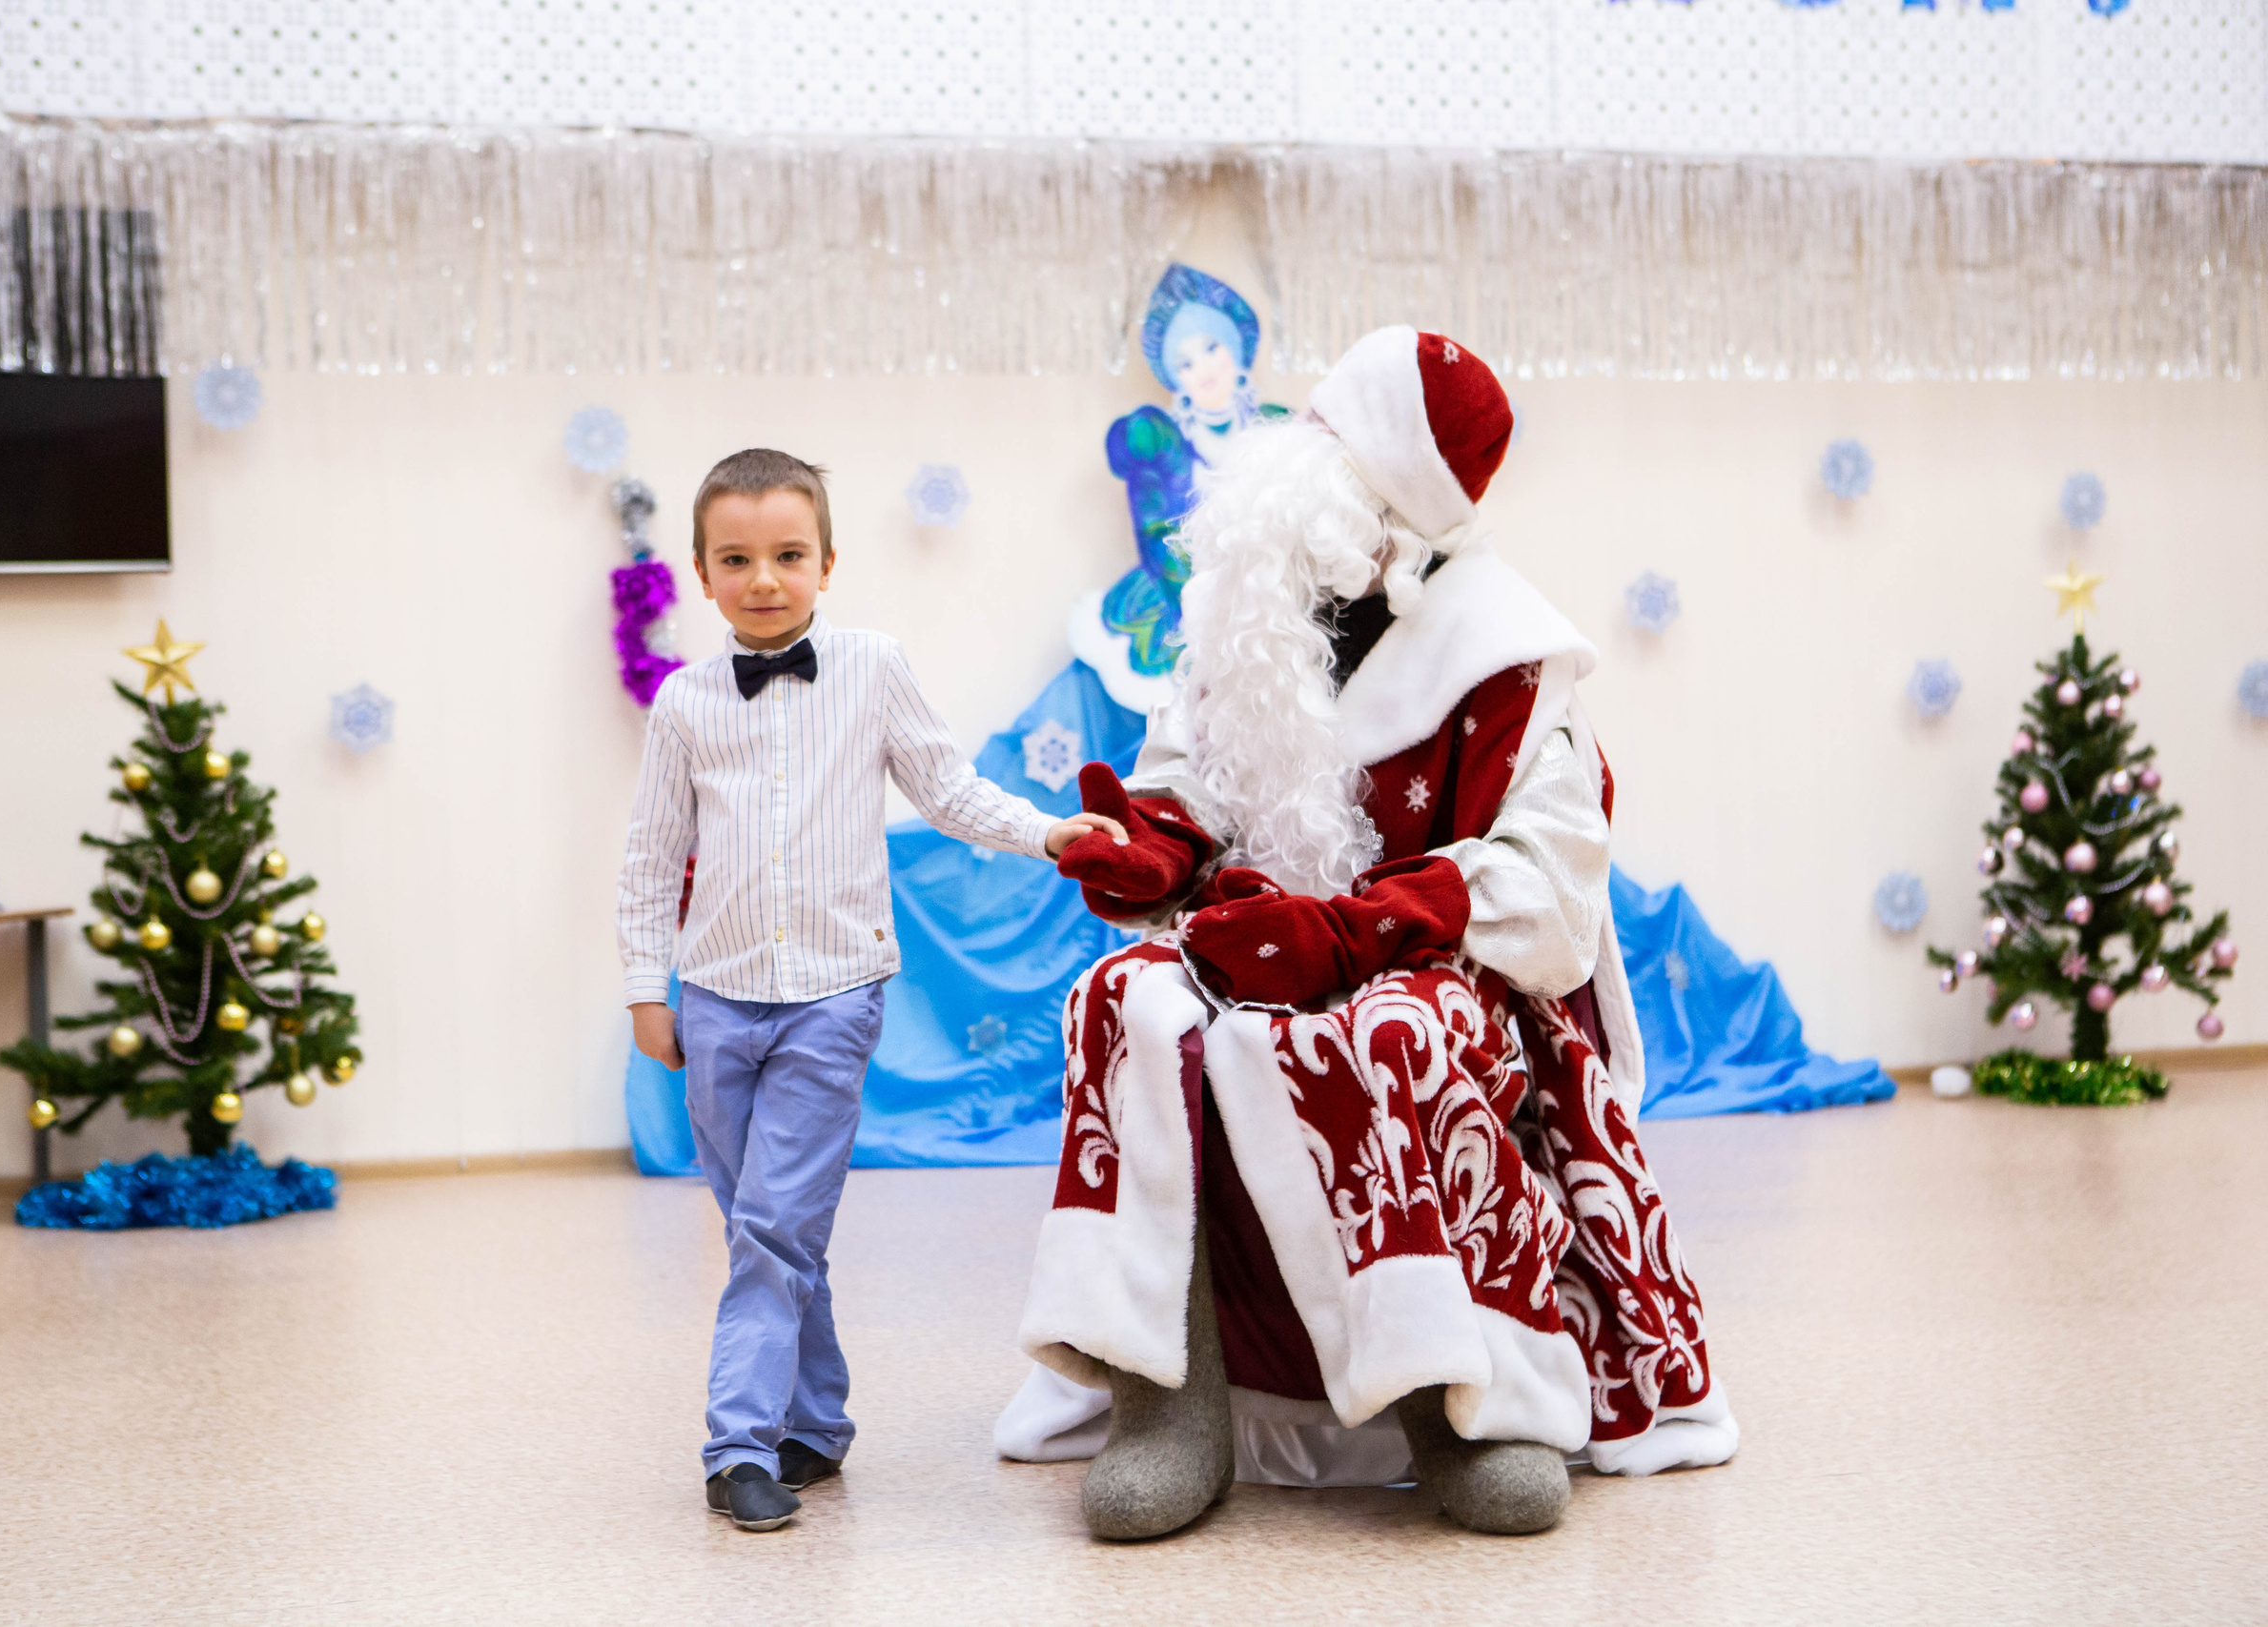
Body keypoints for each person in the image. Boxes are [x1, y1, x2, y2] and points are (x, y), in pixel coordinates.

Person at [1010, 328, 1737, 1540]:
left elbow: (1549, 892)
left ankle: (1454, 1412)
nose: (1292, 461)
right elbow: (1189, 777)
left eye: (1331, 444)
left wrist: (1357, 934)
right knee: (1122, 1000)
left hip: (1444, 979)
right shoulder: (1254, 608)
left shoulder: (1510, 659)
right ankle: (1168, 1401)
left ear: (1387, 492)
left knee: (1390, 1032)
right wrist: (1158, 843)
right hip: (1248, 951)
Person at [618, 448, 1124, 1532]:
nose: (765, 578)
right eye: (738, 559)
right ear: (703, 575)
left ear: (828, 562)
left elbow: (947, 789)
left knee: (770, 1227)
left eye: (788, 555)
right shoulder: (684, 706)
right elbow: (652, 861)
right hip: (711, 998)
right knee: (772, 1228)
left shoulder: (873, 667)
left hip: (833, 996)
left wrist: (1048, 834)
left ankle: (739, 1447)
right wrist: (641, 991)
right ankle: (819, 1422)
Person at [1068, 263, 1288, 716]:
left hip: (1269, 607)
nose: (1203, 368)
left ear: (1236, 348)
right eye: (1185, 362)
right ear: (1173, 377)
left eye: (1211, 347)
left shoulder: (1280, 428)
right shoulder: (1159, 440)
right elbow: (1156, 536)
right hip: (1178, 608)